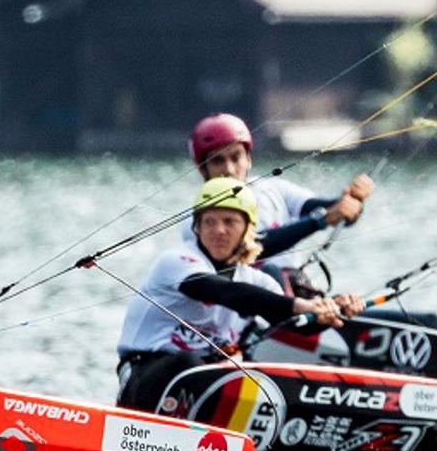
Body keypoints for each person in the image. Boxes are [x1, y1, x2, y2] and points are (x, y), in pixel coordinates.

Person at [116, 177, 365, 412]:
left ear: (247, 228)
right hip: (145, 376)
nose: (219, 230)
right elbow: (225, 292)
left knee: (254, 378)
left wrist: (332, 310)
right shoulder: (176, 261)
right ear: (197, 227)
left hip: (207, 382)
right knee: (192, 366)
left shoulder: (258, 280)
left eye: (229, 221)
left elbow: (290, 325)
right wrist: (302, 304)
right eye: (209, 222)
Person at [186, 113, 374, 275]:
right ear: (202, 169)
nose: (229, 169)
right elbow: (251, 248)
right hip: (249, 305)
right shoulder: (197, 221)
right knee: (271, 272)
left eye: (236, 157)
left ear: (248, 159)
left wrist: (352, 201)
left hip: (297, 295)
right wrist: (321, 221)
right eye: (218, 161)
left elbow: (327, 209)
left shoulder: (273, 190)